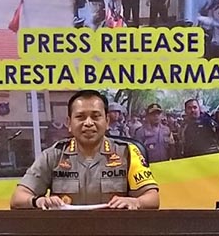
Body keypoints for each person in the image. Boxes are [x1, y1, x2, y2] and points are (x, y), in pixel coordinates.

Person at [10, 90, 159, 210]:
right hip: (66, 233)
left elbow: (152, 198)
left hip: (115, 232)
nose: (88, 123)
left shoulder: (127, 152)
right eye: (80, 117)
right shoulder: (53, 155)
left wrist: (136, 202)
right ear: (69, 123)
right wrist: (38, 201)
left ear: (107, 121)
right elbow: (18, 198)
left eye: (95, 116)